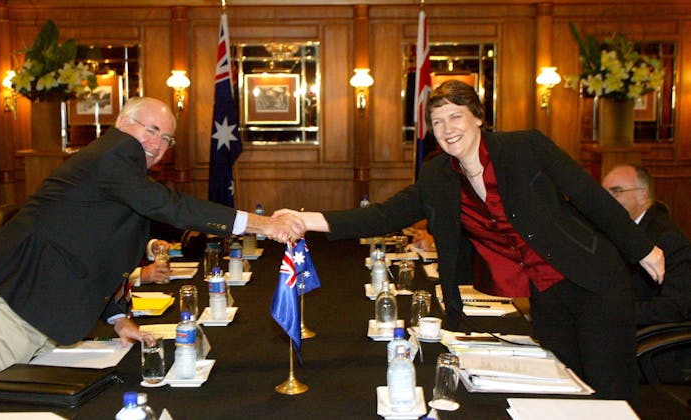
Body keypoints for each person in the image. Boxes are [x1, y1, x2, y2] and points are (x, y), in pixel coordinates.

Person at [274, 80, 665, 403]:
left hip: (594, 281)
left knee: (609, 395)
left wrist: (641, 248)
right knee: (562, 390)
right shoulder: (438, 176)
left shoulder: (524, 147)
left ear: (479, 117)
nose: (447, 129)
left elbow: (587, 194)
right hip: (545, 297)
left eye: (455, 116)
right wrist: (305, 220)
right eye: (437, 121)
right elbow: (382, 215)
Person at [0, 97, 305, 394]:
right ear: (122, 123)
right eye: (151, 129)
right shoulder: (114, 154)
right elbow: (174, 207)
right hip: (15, 294)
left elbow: (92, 250)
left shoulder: (119, 169)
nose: (157, 143)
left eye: (166, 138)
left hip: (44, 302)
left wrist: (116, 317)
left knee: (27, 401)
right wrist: (261, 224)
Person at [602, 164, 691, 326]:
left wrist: (611, 313)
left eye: (616, 192)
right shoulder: (621, 228)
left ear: (643, 196)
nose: (606, 200)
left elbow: (674, 307)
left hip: (647, 338)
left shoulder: (667, 238)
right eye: (604, 193)